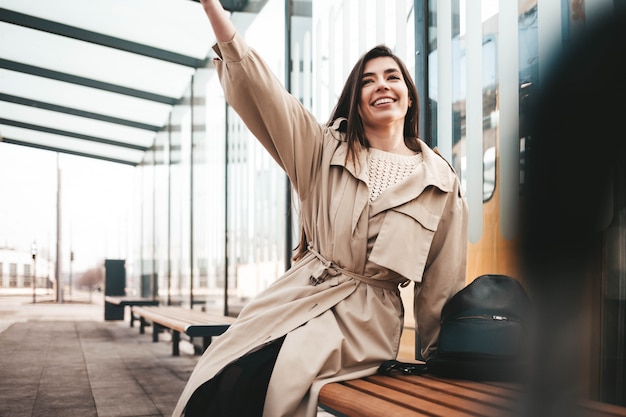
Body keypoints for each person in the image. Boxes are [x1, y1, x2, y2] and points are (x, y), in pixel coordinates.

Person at [173, 1, 468, 416]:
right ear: (357, 99)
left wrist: (437, 363)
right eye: (368, 81)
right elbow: (265, 94)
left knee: (267, 380)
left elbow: (442, 281)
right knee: (223, 375)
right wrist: (212, 8)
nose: (382, 85)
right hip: (296, 297)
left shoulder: (440, 181)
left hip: (362, 325)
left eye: (392, 77)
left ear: (409, 96)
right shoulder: (323, 150)